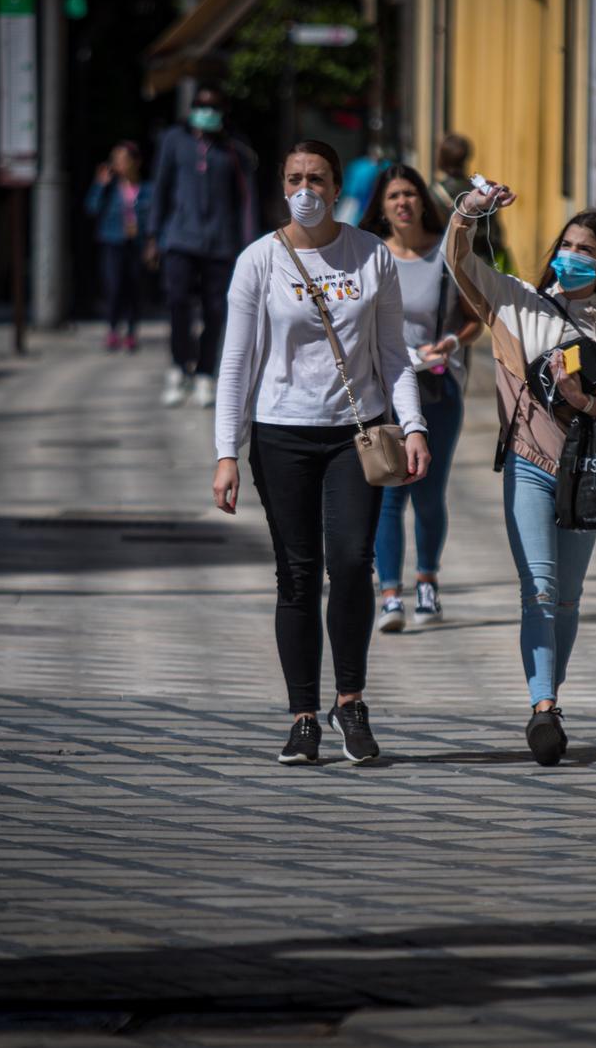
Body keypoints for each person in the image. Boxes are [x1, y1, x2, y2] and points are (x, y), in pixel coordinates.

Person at [212, 140, 432, 766]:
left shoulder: (371, 256)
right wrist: (226, 451)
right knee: (298, 574)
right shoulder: (259, 261)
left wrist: (412, 425)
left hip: (354, 433)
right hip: (281, 432)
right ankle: (304, 716)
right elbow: (235, 363)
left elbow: (395, 354)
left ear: (338, 188)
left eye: (316, 179)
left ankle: (351, 702)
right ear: (282, 187)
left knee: (354, 561)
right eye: (293, 178)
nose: (304, 189)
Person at [443, 178, 596, 765]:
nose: (573, 255)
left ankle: (550, 699)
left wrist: (586, 402)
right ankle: (543, 709)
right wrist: (470, 210)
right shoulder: (516, 303)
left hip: (586, 471)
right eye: (567, 244)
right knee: (538, 589)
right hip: (531, 465)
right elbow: (457, 259)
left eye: (587, 249)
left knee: (568, 598)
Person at [359, 165, 483, 631]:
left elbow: (475, 316)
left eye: (410, 193)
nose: (403, 202)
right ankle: (390, 593)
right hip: (385, 387)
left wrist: (450, 344)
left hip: (436, 386)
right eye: (393, 196)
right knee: (390, 493)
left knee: (429, 493)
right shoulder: (371, 256)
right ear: (383, 205)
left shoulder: (444, 253)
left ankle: (427, 578)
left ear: (422, 201)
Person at [146, 86, 258, 409]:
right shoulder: (173, 141)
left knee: (215, 310)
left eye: (213, 106)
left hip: (221, 243)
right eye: (200, 105)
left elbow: (245, 200)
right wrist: (153, 234)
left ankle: (206, 372)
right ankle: (180, 365)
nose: (206, 111)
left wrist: (249, 246)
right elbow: (161, 187)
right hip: (179, 238)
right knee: (177, 302)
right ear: (192, 107)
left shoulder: (234, 149)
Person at [84, 140, 153, 353]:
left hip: (136, 243)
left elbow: (153, 218)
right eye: (116, 160)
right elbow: (91, 209)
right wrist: (99, 185)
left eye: (123, 159)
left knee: (134, 288)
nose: (118, 164)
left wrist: (152, 242)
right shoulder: (109, 188)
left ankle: (131, 332)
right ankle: (113, 329)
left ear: (135, 162)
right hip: (112, 241)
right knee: (113, 287)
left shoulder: (147, 189)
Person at [432, 132, 509, 273]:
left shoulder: (433, 194)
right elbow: (496, 236)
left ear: (441, 159)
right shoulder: (483, 192)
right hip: (480, 268)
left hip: (445, 267)